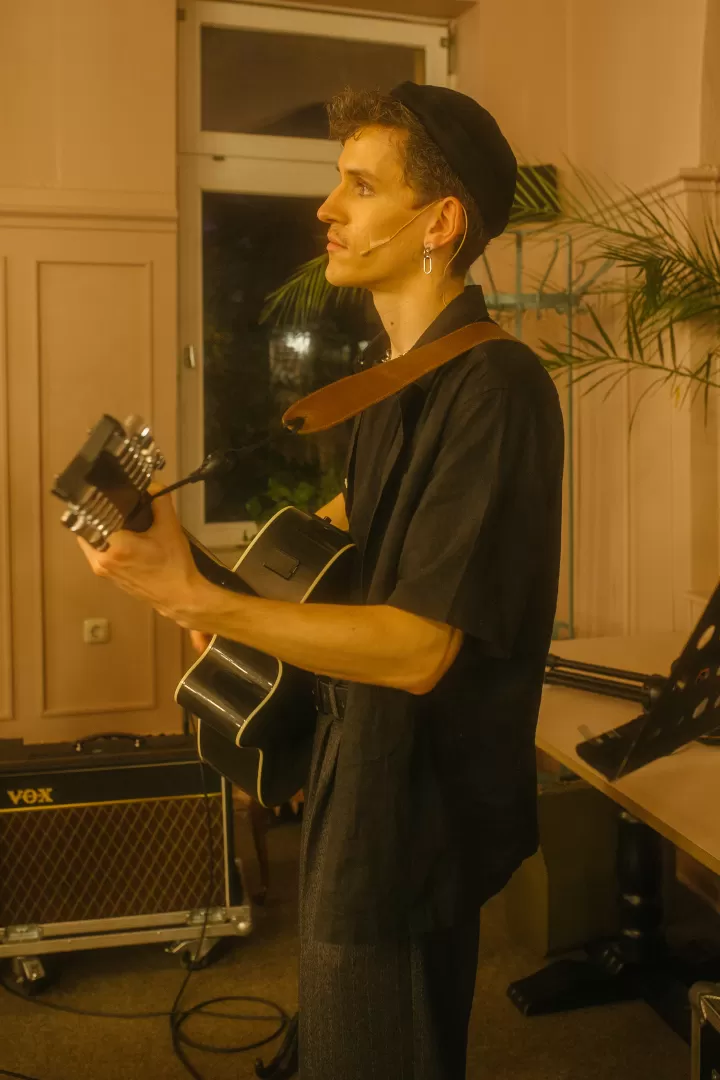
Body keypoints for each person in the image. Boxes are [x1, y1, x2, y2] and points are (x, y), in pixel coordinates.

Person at [78, 82, 564, 1080]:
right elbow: (339, 563)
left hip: (413, 813)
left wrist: (198, 600)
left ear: (440, 222)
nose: (326, 208)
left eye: (360, 186)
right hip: (358, 773)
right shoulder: (396, 386)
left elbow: (419, 648)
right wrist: (186, 566)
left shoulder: (496, 389)